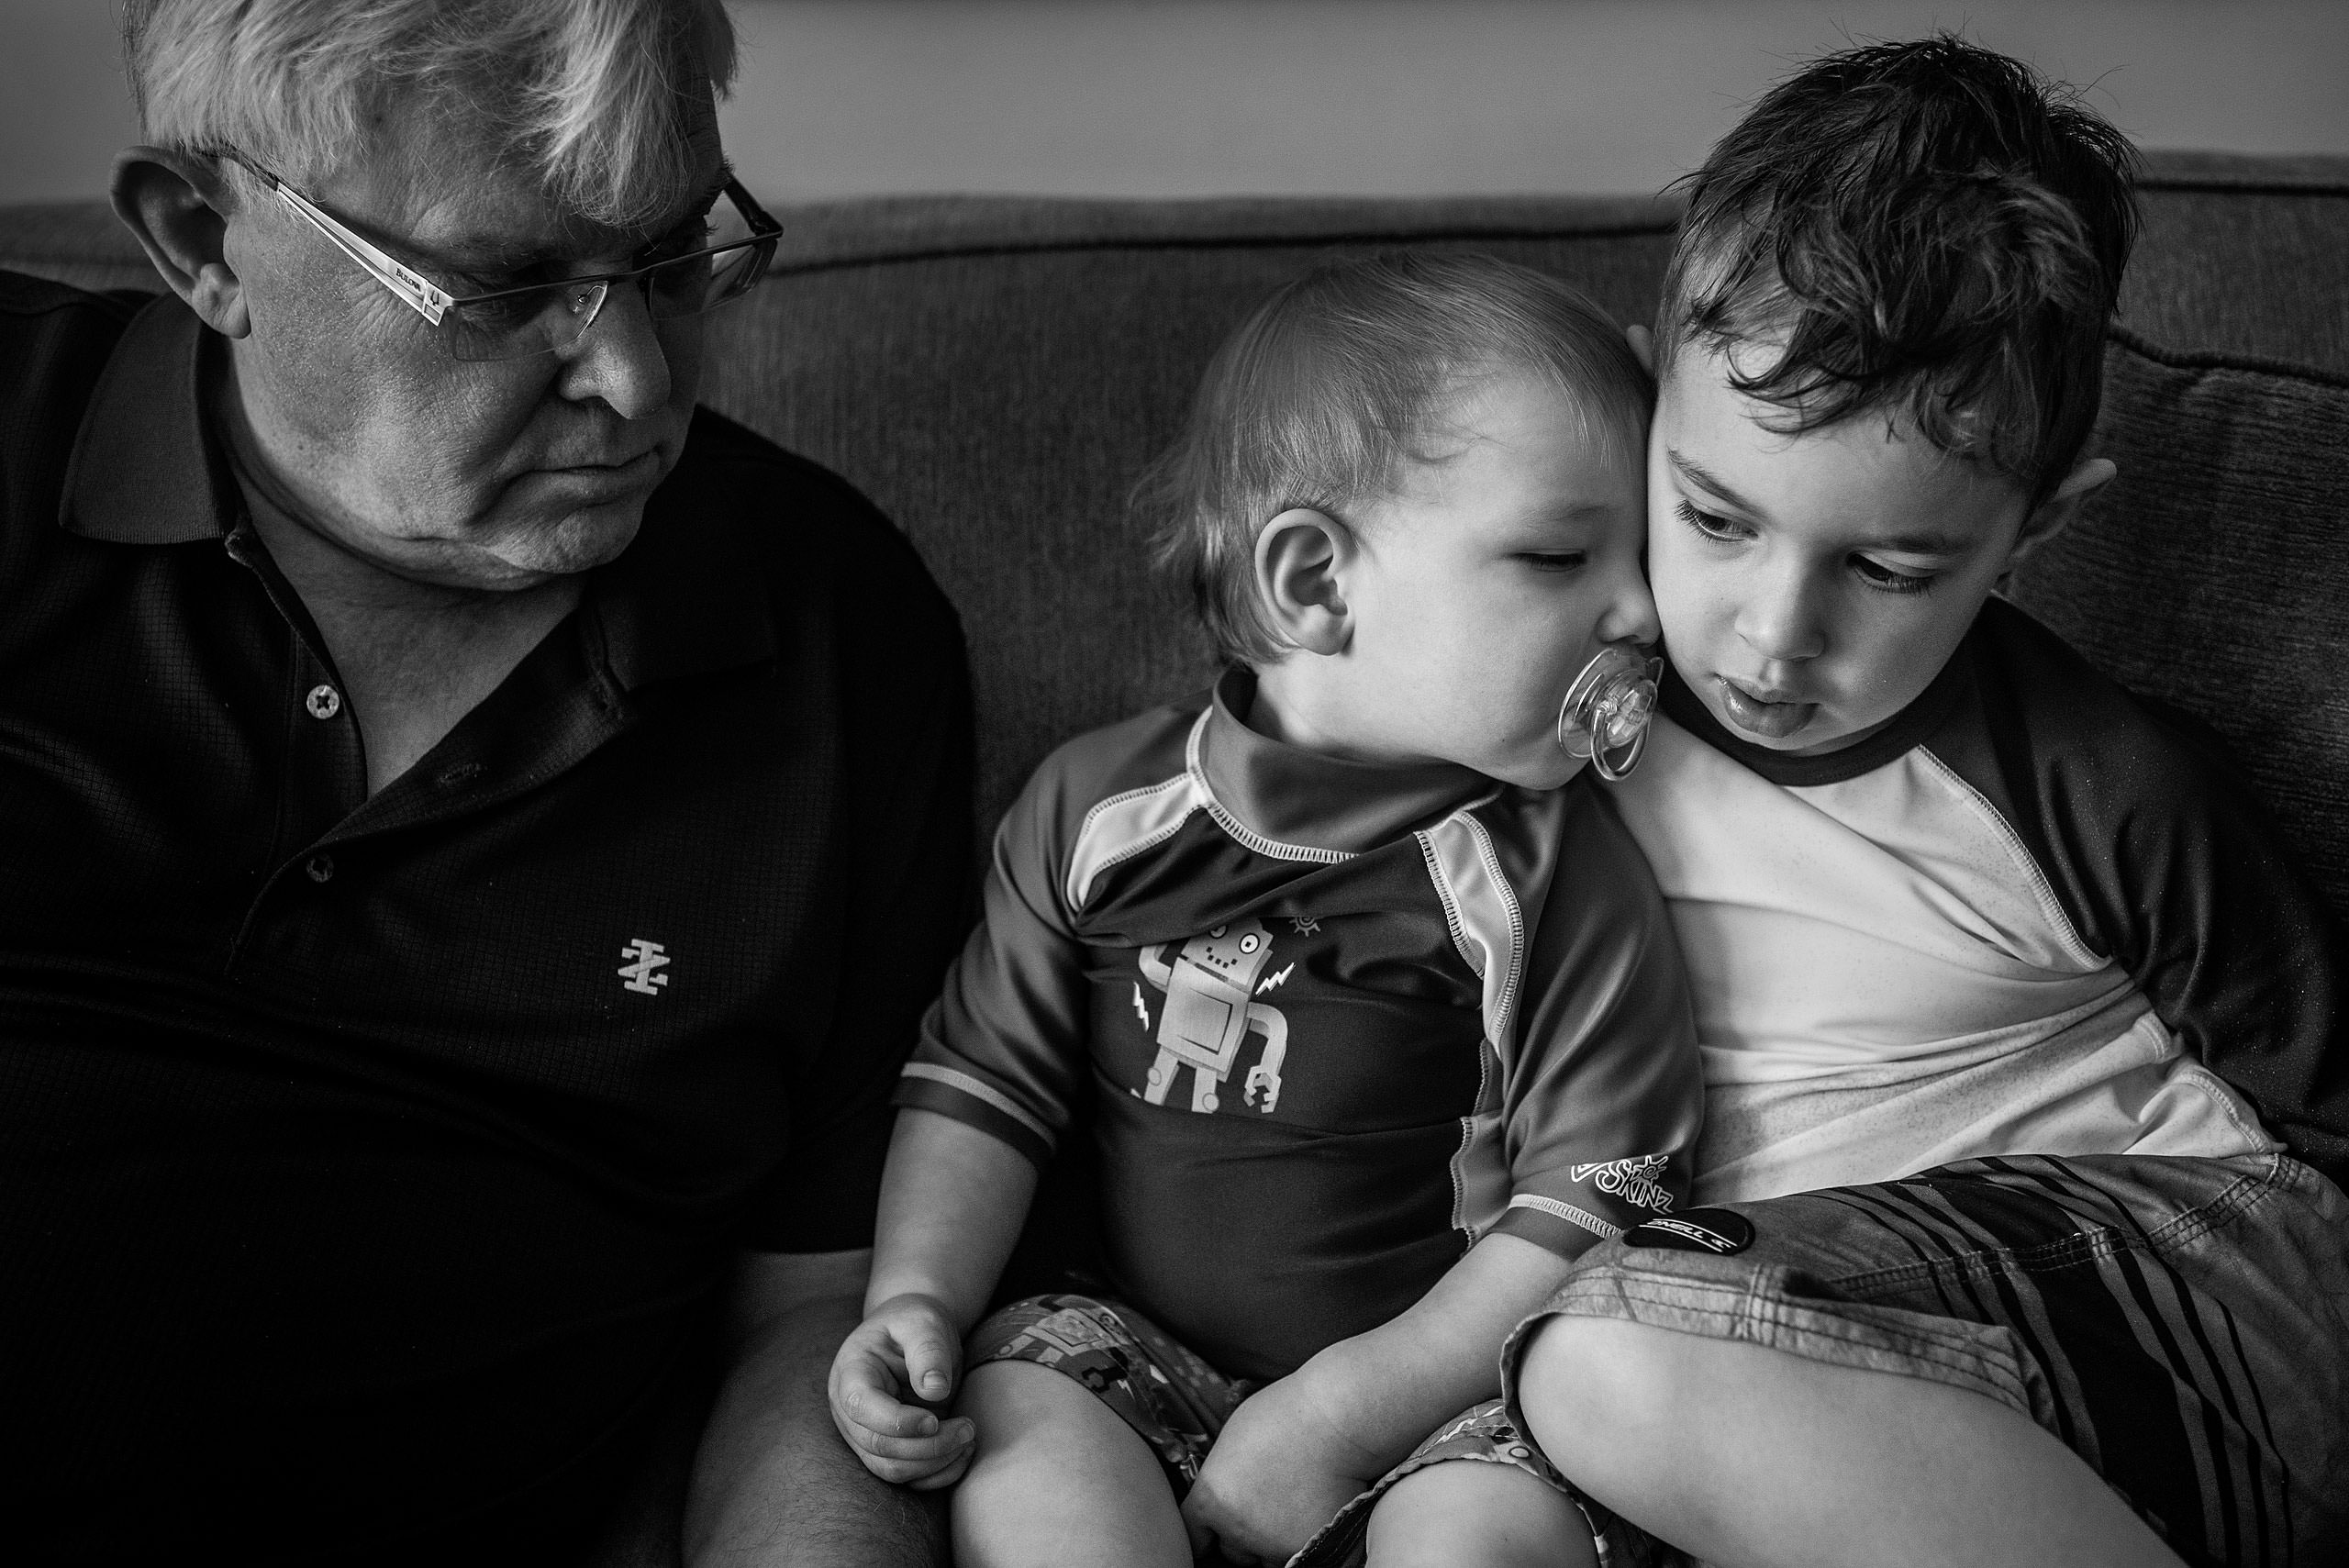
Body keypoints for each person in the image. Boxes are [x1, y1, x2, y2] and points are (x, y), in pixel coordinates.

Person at [0, 2, 970, 1562]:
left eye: (671, 254)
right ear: (207, 243)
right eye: (506, 284)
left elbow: (811, 1330)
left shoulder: (833, 631)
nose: (645, 382)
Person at [1499, 36, 2349, 1568]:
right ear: (1644, 409)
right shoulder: (1557, 708)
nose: (1771, 633)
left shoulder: (2097, 785)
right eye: (1711, 516)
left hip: (2192, 1266)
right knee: (1484, 1499)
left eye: (1886, 571)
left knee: (1601, 1349)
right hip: (1791, 1334)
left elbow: (2318, 1142)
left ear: (2032, 531)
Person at [825, 252, 1705, 1568]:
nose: (1642, 611)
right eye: (1561, 553)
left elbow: (1590, 1204)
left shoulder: (1554, 869)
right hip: (1137, 1357)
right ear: (1316, 585)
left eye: (1641, 552)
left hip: (1445, 1399)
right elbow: (980, 1085)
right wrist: (916, 1296)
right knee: (1022, 1419)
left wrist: (1339, 1416)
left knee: (1480, 1534)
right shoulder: (1092, 810)